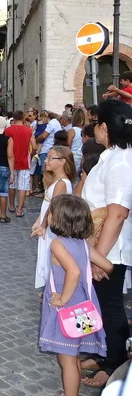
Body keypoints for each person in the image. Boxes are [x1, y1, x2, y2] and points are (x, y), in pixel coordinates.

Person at [80, 99, 132, 388]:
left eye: (97, 122)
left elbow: (118, 213)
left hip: (111, 248)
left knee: (110, 306)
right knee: (96, 304)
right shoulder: (110, 154)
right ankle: (102, 353)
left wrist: (98, 257)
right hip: (99, 243)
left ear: (104, 127)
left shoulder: (123, 159)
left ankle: (114, 366)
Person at [38, 194, 112, 396]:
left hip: (67, 308)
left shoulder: (57, 244)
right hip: (83, 307)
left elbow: (74, 271)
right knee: (74, 354)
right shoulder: (84, 245)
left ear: (59, 218)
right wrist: (97, 270)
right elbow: (108, 266)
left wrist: (62, 298)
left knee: (67, 359)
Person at [31, 146, 76, 289]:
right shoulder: (56, 180)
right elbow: (47, 202)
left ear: (62, 161)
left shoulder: (62, 183)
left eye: (51, 158)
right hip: (47, 225)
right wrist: (38, 221)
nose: (46, 161)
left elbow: (53, 207)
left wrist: (43, 226)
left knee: (49, 258)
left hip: (51, 228)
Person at [5, 110, 36, 217]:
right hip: (24, 160)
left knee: (11, 184)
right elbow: (34, 146)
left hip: (11, 161)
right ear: (23, 118)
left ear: (13, 118)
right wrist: (31, 155)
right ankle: (19, 210)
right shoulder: (28, 130)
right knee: (23, 186)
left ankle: (12, 205)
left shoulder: (8, 130)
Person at [36, 112, 62, 197]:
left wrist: (35, 138)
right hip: (52, 148)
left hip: (46, 149)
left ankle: (46, 191)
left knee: (45, 172)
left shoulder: (51, 123)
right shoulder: (57, 123)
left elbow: (44, 136)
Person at [31, 110, 49, 194]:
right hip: (42, 147)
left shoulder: (39, 124)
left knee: (40, 170)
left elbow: (40, 140)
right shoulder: (47, 125)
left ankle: (43, 188)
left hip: (41, 148)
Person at [69, 109, 85, 173]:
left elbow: (68, 145)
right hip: (82, 156)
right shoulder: (85, 130)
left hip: (74, 158)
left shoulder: (72, 131)